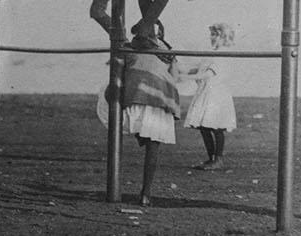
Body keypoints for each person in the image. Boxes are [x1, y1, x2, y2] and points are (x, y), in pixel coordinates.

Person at [97, 19, 181, 208]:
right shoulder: (168, 52)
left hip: (138, 99)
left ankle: (141, 137)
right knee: (153, 145)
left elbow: (115, 73)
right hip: (159, 100)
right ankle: (145, 194)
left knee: (134, 125)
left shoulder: (128, 48)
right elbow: (175, 78)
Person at [176, 22, 238, 170]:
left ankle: (218, 159)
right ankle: (211, 158)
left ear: (223, 37)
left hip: (216, 94)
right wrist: (181, 72)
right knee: (204, 127)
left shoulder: (222, 55)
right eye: (212, 34)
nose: (212, 37)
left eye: (215, 34)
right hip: (206, 92)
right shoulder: (210, 53)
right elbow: (198, 69)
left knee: (216, 127)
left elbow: (207, 73)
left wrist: (185, 77)